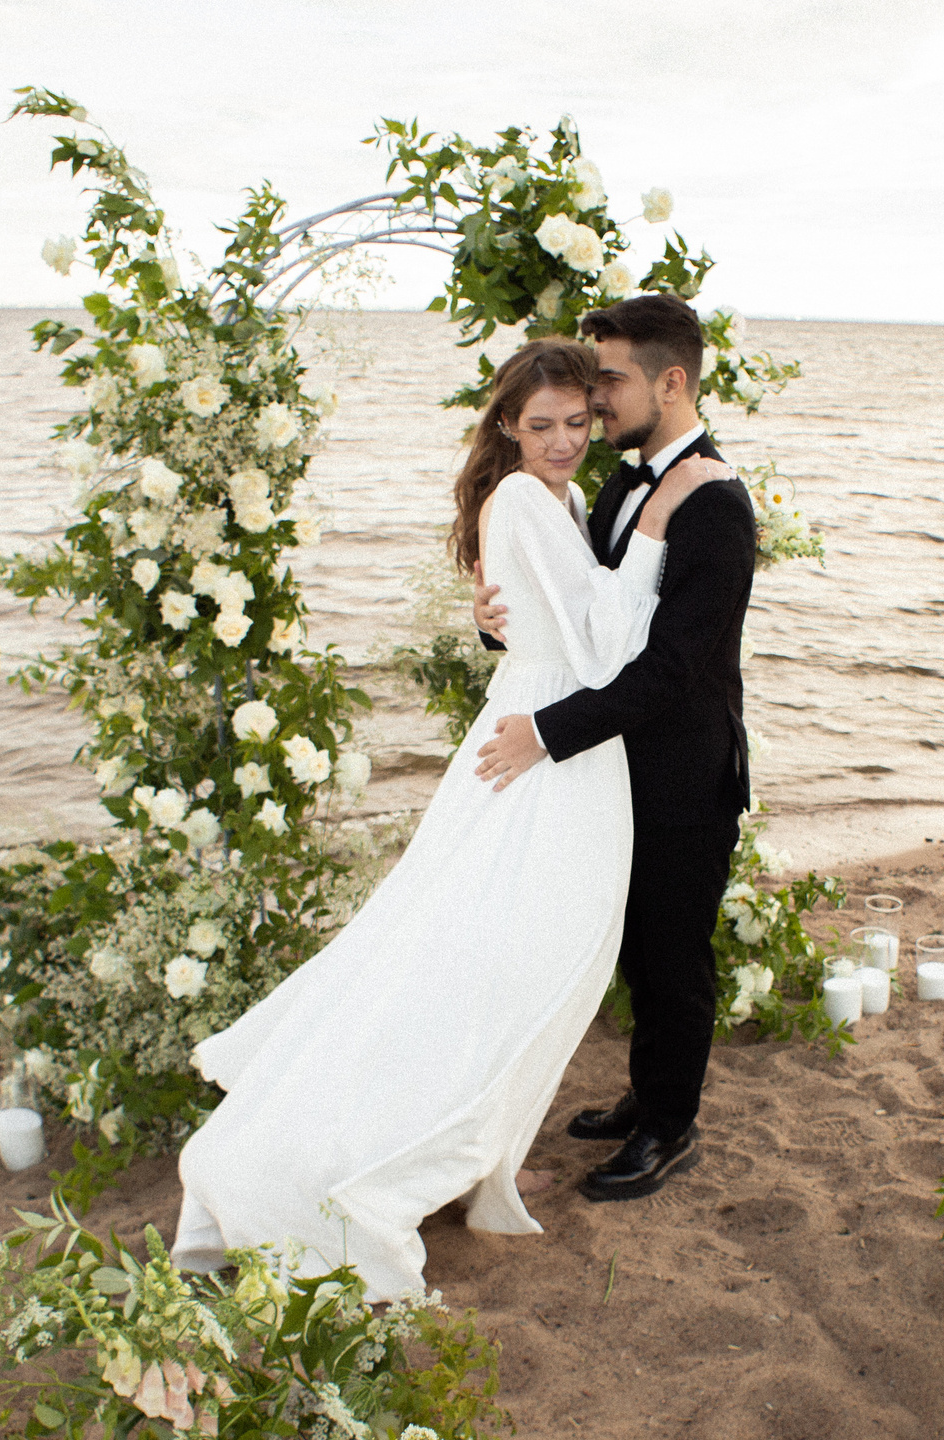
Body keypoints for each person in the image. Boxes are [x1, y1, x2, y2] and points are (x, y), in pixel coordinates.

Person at [170, 337, 734, 1301]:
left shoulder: (580, 494)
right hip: (551, 744)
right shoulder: (541, 494)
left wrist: (503, 619)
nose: (565, 438)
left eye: (578, 420)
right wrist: (642, 538)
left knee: (538, 945)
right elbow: (596, 629)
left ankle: (580, 1128)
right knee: (500, 946)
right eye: (545, 424)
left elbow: (576, 618)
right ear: (509, 426)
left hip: (580, 741)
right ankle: (426, 1137)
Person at [472, 294, 757, 1204]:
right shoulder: (614, 484)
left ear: (671, 382)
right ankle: (647, 1093)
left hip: (681, 774)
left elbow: (670, 668)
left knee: (676, 956)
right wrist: (494, 624)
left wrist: (545, 736)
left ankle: (671, 1129)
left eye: (611, 381)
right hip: (615, 768)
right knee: (638, 944)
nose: (595, 403)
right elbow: (573, 614)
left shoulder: (714, 506)